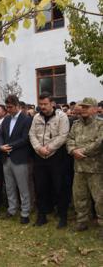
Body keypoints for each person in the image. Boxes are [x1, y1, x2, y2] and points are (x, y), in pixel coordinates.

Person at [29, 92, 70, 228]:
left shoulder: (61, 117)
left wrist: (49, 148)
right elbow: (32, 134)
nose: (42, 107)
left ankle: (62, 216)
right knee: (40, 187)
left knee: (59, 187)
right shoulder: (36, 117)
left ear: (52, 103)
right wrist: (38, 148)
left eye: (45, 104)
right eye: (40, 104)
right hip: (40, 156)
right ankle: (42, 216)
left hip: (56, 156)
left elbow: (63, 135)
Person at [67, 97, 103, 239]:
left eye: (86, 107)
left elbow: (99, 142)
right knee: (79, 196)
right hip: (79, 168)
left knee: (100, 199)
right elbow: (69, 139)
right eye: (82, 106)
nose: (83, 109)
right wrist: (72, 150)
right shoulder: (76, 124)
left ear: (94, 109)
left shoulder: (100, 124)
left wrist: (83, 151)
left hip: (96, 168)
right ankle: (82, 221)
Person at [0, 95, 32, 224]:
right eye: (7, 107)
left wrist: (10, 146)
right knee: (9, 186)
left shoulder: (26, 119)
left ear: (18, 106)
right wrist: (1, 145)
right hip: (6, 158)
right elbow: (0, 134)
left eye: (10, 107)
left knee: (23, 187)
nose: (8, 109)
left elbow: (25, 138)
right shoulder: (6, 119)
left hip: (20, 158)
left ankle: (25, 212)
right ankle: (12, 209)